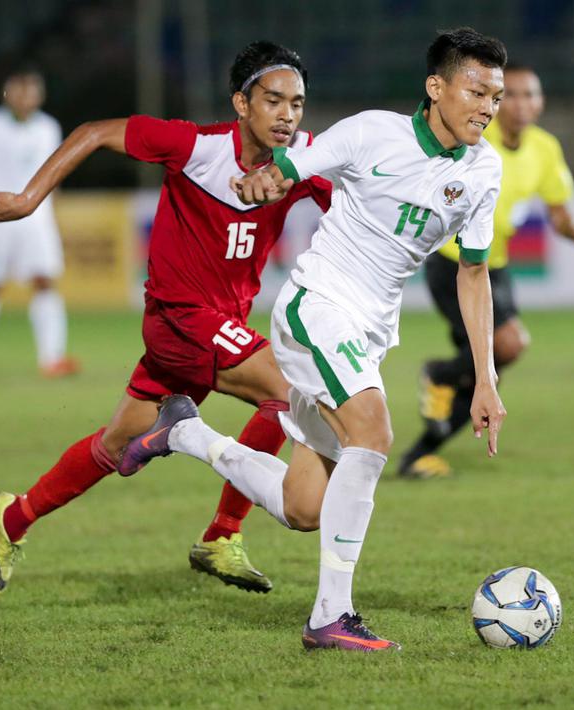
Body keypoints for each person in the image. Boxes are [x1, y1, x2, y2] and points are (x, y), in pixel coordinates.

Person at [120, 27, 509, 651]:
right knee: (373, 432)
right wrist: (263, 181)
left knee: (304, 507)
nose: (487, 108)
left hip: (370, 330)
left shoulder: (484, 169)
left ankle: (184, 431)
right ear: (436, 88)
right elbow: (289, 165)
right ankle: (331, 616)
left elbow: (473, 273)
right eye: (476, 91)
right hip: (317, 309)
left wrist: (485, 378)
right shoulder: (370, 133)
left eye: (495, 96)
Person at [0, 42, 333, 600]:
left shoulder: (300, 159)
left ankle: (13, 518)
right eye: (274, 100)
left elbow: (353, 203)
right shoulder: (196, 146)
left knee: (116, 447)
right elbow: (93, 132)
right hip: (179, 319)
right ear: (241, 103)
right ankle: (222, 533)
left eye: (297, 104)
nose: (287, 115)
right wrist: (27, 200)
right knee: (286, 391)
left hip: (214, 329)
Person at [398, 62, 574, 479]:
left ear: (541, 103)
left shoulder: (544, 148)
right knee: (505, 347)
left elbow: (558, 210)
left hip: (496, 264)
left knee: (487, 376)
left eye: (532, 95)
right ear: (496, 101)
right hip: (454, 261)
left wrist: (573, 230)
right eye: (514, 95)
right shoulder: (474, 136)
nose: (523, 103)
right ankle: (439, 374)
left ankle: (417, 454)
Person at [0, 67, 80, 379]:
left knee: (44, 282)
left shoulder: (48, 127)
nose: (25, 97)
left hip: (37, 219)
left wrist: (55, 218)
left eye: (31, 91)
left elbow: (55, 175)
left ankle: (52, 358)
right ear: (7, 93)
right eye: (19, 90)